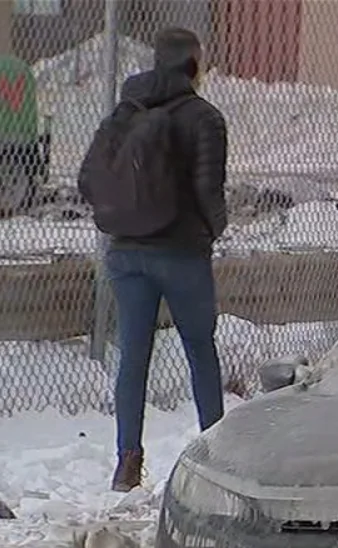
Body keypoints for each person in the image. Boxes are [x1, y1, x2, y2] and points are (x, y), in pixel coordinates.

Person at [79, 27, 229, 492]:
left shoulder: (128, 108)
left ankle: (128, 462)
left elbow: (90, 179)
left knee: (133, 357)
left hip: (125, 252)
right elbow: (208, 189)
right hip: (181, 252)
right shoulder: (204, 118)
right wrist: (213, 227)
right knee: (200, 350)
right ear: (193, 64)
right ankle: (217, 454)